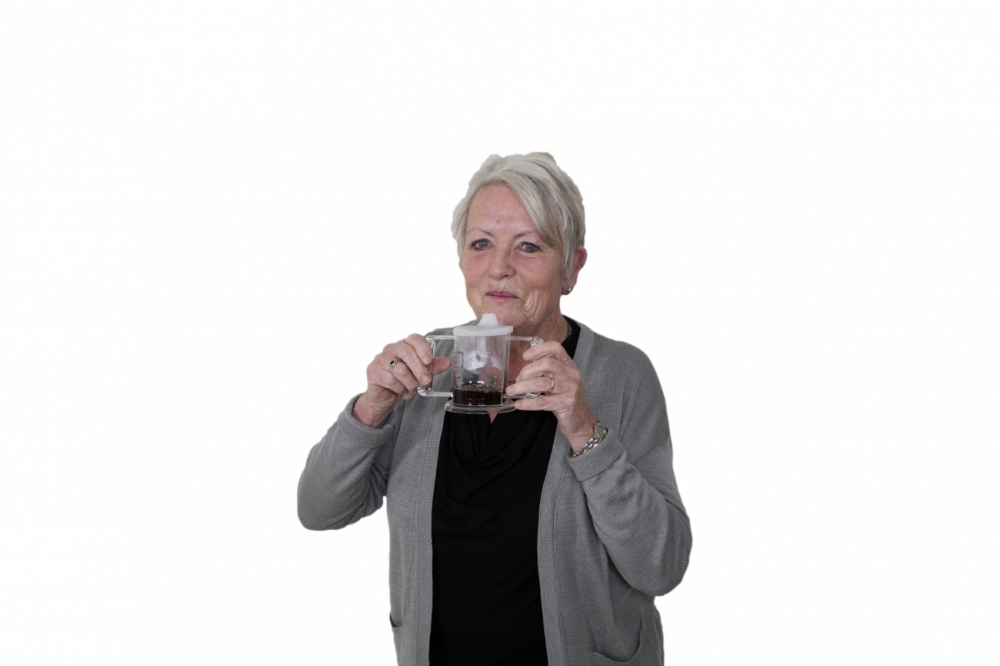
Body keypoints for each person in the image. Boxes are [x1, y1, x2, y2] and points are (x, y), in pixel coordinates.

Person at [298, 152, 692, 666]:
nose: (498, 267)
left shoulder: (621, 374)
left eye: (529, 246)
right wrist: (371, 408)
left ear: (571, 268)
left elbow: (661, 566)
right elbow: (320, 509)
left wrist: (585, 430)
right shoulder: (429, 366)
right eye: (481, 243)